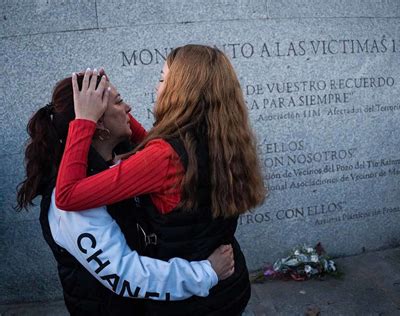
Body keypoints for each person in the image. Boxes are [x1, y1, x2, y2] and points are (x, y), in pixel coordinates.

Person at [55, 44, 266, 315]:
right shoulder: (222, 137)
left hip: (189, 301)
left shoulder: (164, 157)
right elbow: (149, 143)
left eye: (162, 79)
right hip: (229, 285)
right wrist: (110, 101)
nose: (157, 87)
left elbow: (68, 195)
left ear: (181, 90)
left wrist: (84, 119)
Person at [16, 73, 235, 315]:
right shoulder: (69, 210)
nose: (128, 108)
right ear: (98, 124)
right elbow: (128, 276)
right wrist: (206, 273)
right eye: (120, 102)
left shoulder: (123, 159)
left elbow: (155, 143)